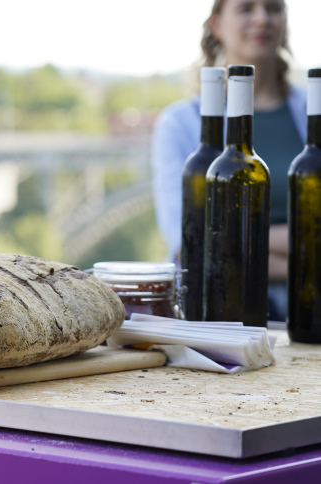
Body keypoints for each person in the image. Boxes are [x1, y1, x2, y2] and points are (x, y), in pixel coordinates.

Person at [150, 0, 306, 320]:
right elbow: (189, 242)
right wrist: (308, 257)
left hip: (308, 307)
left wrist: (235, 246)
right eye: (247, 8)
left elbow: (216, 244)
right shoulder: (179, 124)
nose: (262, 18)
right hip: (220, 308)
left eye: (273, 8)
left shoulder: (312, 114)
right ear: (217, 24)